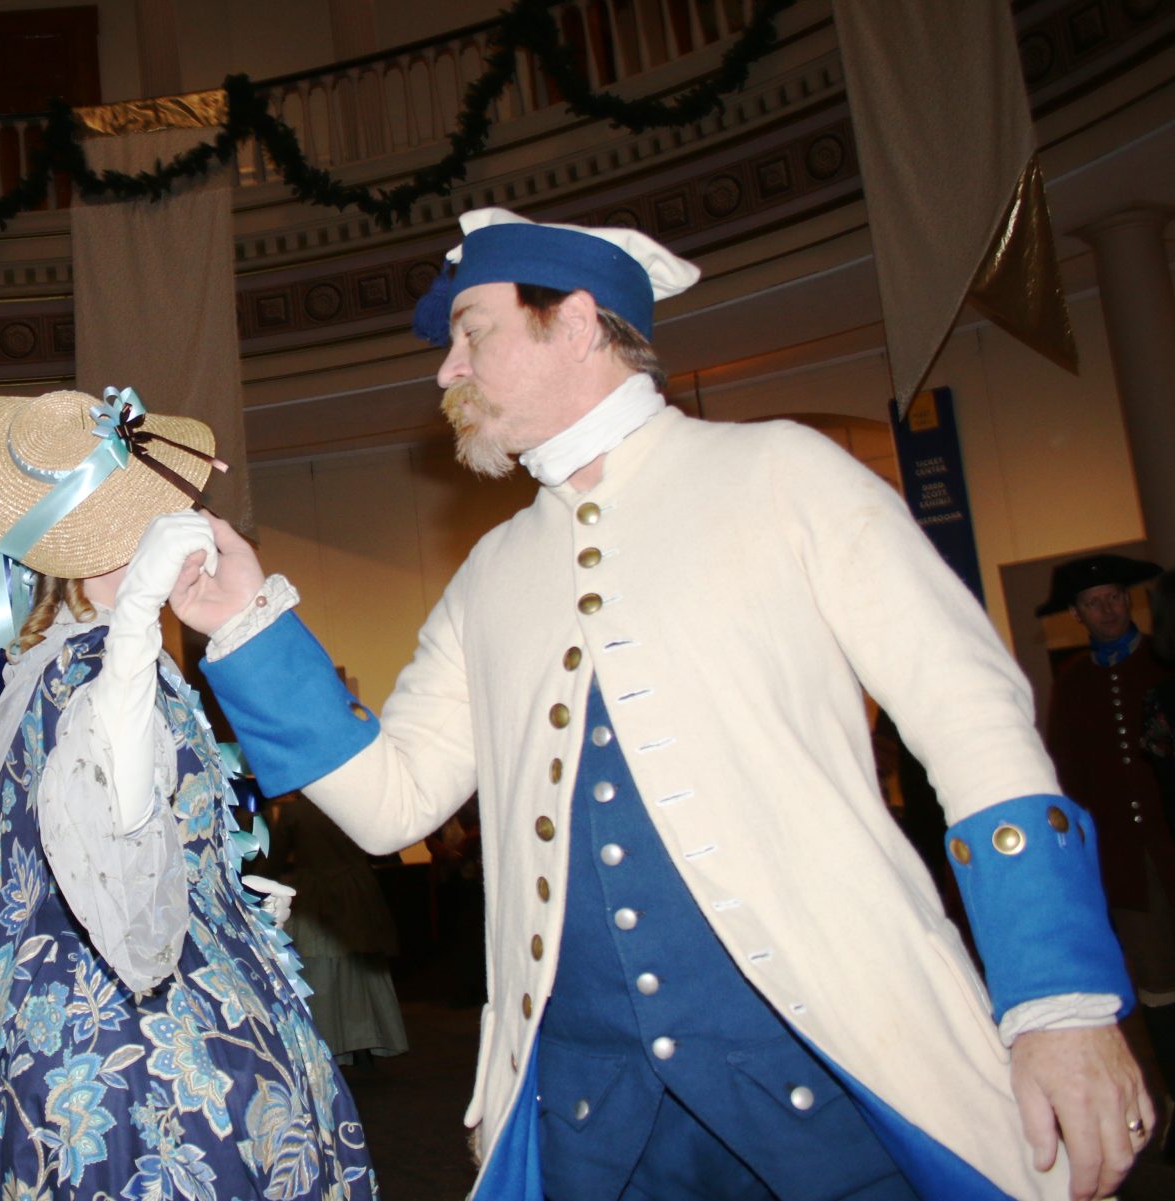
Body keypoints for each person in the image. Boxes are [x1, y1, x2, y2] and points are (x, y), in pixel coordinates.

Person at [168, 208, 1154, 1201]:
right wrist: (247, 623)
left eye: (472, 331)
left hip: (841, 1071)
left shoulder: (782, 470)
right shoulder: (488, 572)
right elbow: (391, 801)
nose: (444, 370)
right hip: (591, 1121)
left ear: (578, 321)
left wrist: (1059, 1002)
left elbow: (969, 718)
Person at [0, 387, 375, 1201]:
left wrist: (225, 887)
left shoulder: (60, 661)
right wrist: (140, 613)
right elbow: (109, 819)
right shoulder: (94, 662)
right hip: (122, 1041)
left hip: (105, 1004)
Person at [1041, 554, 1175, 1136]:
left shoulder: (1166, 662)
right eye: (1094, 602)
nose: (1108, 609)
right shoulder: (1071, 687)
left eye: (1115, 596)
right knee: (1158, 986)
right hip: (1126, 865)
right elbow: (1066, 778)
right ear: (1076, 614)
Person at [257, 792, 410, 1068]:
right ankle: (363, 1040)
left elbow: (274, 858)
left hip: (317, 891)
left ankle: (332, 1042)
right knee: (357, 964)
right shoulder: (350, 803)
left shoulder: (292, 811)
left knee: (323, 966)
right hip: (354, 886)